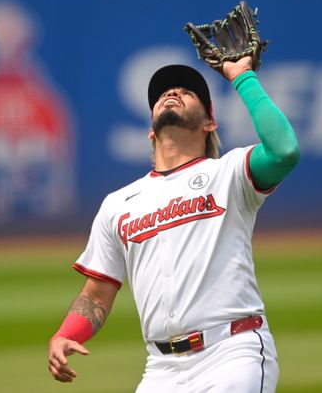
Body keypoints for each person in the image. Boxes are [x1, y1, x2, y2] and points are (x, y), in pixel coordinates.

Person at [47, 56, 299, 392]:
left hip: (231, 354)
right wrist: (65, 334)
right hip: (160, 370)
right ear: (151, 128)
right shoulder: (117, 204)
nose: (173, 92)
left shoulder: (229, 174)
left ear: (210, 122)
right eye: (164, 91)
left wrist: (242, 77)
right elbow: (96, 295)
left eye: (187, 92)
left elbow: (284, 152)